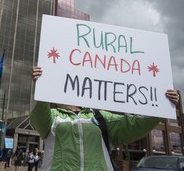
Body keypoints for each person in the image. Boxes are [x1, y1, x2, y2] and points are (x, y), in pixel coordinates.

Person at [31, 66, 180, 171]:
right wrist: (42, 84)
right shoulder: (52, 117)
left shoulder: (100, 117)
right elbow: (39, 115)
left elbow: (135, 125)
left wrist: (164, 105)